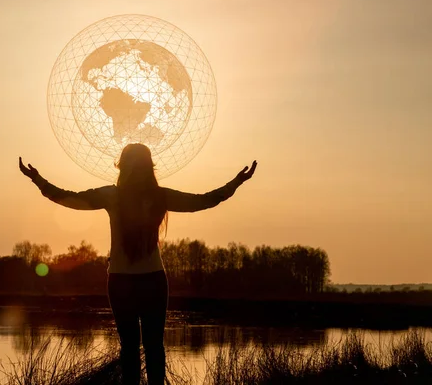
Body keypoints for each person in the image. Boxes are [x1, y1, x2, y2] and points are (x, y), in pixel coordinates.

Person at [19, 143, 257, 385]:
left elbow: (69, 199)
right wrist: (236, 183)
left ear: (122, 167)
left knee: (132, 348)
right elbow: (204, 201)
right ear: (149, 166)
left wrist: (37, 179)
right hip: (148, 281)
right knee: (151, 347)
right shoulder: (155, 196)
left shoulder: (114, 195)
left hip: (127, 281)